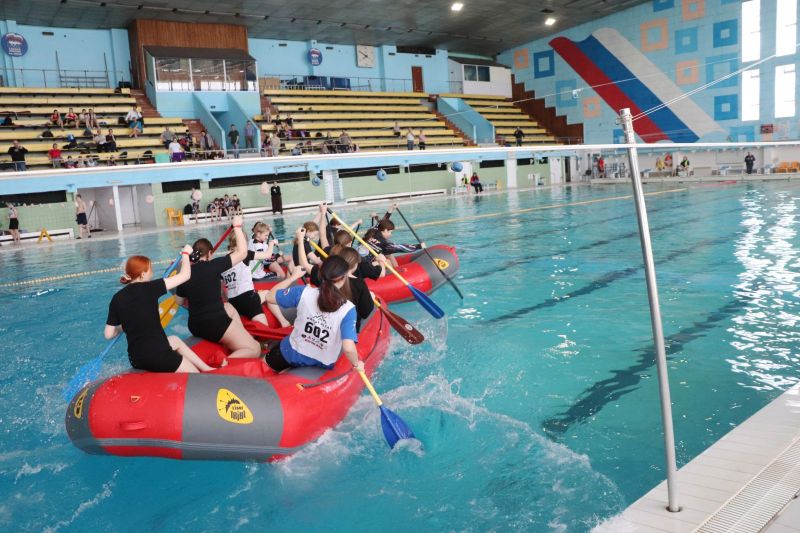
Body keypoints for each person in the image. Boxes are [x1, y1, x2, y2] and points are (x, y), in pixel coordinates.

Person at [105, 249, 216, 373]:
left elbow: (108, 334)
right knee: (195, 374)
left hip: (136, 359)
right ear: (142, 274)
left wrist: (123, 326)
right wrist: (185, 254)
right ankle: (204, 371)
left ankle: (207, 368)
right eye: (150, 270)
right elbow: (185, 275)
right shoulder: (151, 287)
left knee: (175, 340)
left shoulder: (116, 298)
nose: (152, 273)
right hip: (158, 354)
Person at [175, 216, 262, 359]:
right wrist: (237, 227)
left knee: (228, 307)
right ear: (210, 253)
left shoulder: (185, 274)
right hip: (215, 324)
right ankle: (224, 362)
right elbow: (242, 253)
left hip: (195, 325)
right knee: (255, 349)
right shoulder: (214, 265)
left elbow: (179, 301)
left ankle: (240, 336)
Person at [262, 256, 364, 373]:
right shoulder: (348, 309)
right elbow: (348, 348)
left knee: (263, 364)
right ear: (344, 278)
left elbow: (269, 296)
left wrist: (292, 278)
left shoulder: (302, 292)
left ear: (320, 274)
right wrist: (357, 364)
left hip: (290, 352)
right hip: (321, 362)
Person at [221, 231, 281, 326]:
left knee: (264, 293)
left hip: (232, 302)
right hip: (248, 299)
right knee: (264, 328)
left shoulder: (222, 260)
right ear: (244, 242)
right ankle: (283, 322)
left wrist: (226, 299)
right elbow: (267, 255)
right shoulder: (244, 254)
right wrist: (271, 244)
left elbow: (222, 286)